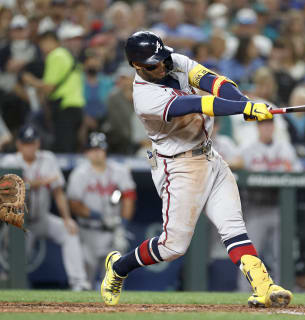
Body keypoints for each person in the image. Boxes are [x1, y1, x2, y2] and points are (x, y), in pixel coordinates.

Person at [100, 31, 292, 308]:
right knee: (172, 247)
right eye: (155, 63)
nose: (163, 65)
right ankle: (119, 267)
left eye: (163, 58)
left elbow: (215, 84)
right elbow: (200, 103)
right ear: (137, 67)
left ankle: (264, 286)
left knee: (233, 227)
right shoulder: (145, 98)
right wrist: (243, 108)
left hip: (210, 156)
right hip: (179, 167)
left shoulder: (174, 61)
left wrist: (243, 102)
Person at [0, 124, 89, 290]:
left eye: (32, 143)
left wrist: (67, 219)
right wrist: (39, 183)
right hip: (19, 225)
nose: (30, 147)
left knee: (69, 231)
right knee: (13, 264)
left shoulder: (48, 158)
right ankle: (9, 284)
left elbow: (58, 192)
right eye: (26, 143)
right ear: (19, 144)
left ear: (38, 143)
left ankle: (79, 283)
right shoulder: (10, 161)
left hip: (42, 218)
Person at [67, 132, 136, 288]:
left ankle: (111, 309)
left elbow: (129, 198)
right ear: (86, 152)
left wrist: (122, 226)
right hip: (88, 231)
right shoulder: (79, 174)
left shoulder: (120, 171)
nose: (97, 153)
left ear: (105, 150)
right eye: (93, 149)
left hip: (113, 232)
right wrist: (99, 217)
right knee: (84, 283)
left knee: (113, 283)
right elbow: (74, 205)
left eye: (100, 149)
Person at [238, 119, 300, 291]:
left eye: (269, 124)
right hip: (255, 207)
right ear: (258, 127)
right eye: (263, 124)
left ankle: (281, 292)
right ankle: (244, 292)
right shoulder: (247, 149)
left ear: (274, 127)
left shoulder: (285, 148)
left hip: (280, 208)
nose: (267, 127)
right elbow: (235, 166)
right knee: (249, 256)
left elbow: (298, 170)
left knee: (282, 256)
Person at [21, 31, 85, 153]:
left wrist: (30, 80)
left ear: (50, 40)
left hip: (65, 106)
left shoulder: (55, 55)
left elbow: (49, 87)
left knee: (63, 149)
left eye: (42, 43)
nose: (41, 47)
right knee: (71, 147)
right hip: (77, 107)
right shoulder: (67, 54)